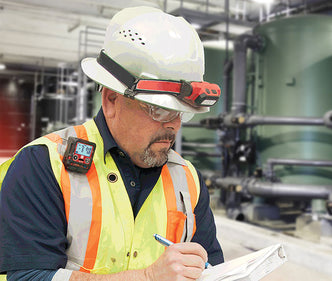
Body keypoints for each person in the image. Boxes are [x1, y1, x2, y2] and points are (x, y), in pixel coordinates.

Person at [0, 6, 223, 281]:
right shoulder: (44, 166)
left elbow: (211, 268)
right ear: (111, 100)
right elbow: (26, 276)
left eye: (181, 112)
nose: (173, 124)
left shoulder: (188, 180)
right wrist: (148, 277)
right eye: (159, 109)